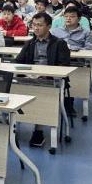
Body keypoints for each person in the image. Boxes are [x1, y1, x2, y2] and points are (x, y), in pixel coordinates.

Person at [15, 12, 71, 148]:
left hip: (49, 81)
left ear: (49, 26)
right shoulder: (30, 43)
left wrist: (46, 75)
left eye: (39, 25)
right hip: (29, 78)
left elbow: (64, 66)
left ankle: (38, 130)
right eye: (34, 25)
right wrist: (24, 74)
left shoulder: (59, 43)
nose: (36, 28)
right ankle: (13, 126)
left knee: (41, 95)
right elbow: (18, 62)